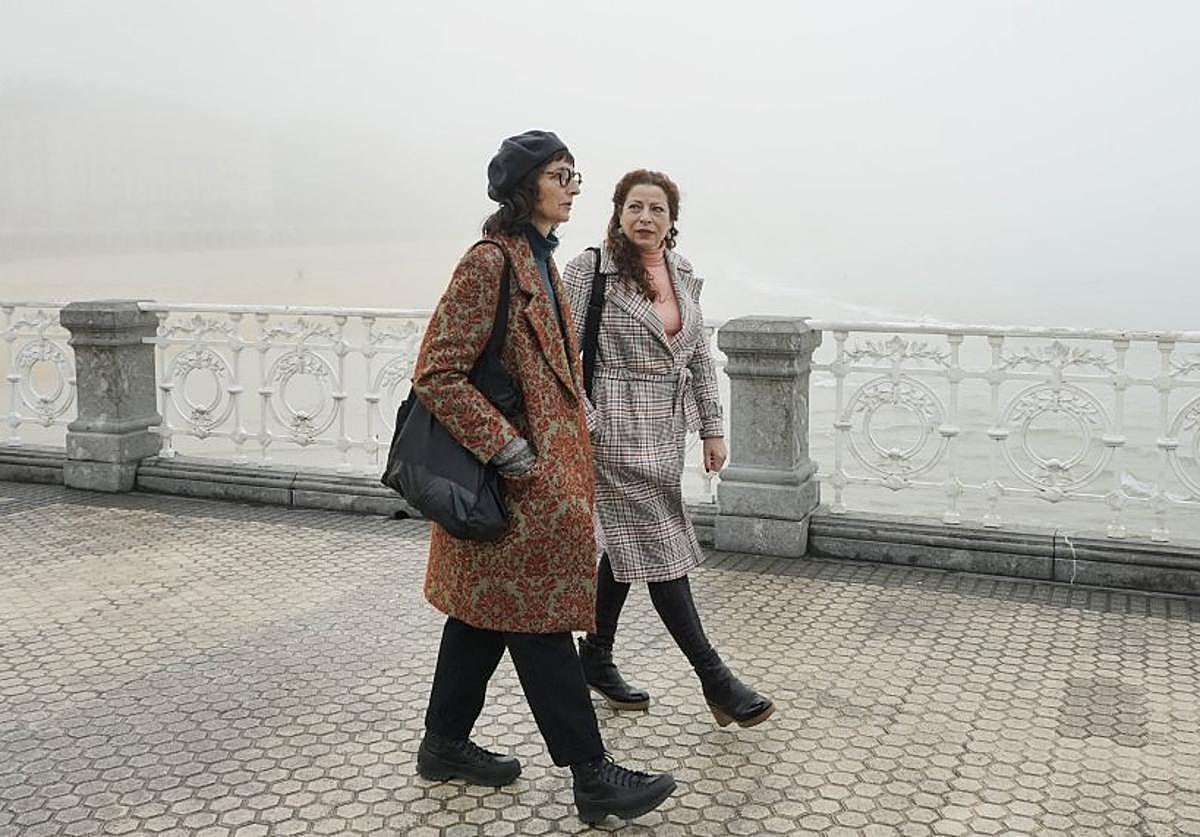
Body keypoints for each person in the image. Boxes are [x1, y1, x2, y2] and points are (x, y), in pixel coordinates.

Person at [411, 132, 676, 825]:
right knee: (540, 622)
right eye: (561, 175)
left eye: (574, 174)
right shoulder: (489, 264)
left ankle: (443, 743)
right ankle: (593, 777)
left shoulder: (541, 260)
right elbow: (437, 371)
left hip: (545, 483)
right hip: (515, 483)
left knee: (484, 614)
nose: (574, 186)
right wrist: (508, 449)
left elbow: (550, 371)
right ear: (526, 186)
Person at [562, 169, 774, 729]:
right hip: (611, 430)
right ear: (618, 212)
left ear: (671, 219)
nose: (645, 218)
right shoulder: (591, 270)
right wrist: (589, 423)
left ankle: (596, 658)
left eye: (657, 209)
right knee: (659, 547)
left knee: (629, 545)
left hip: (663, 431)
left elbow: (698, 357)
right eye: (635, 207)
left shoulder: (681, 272)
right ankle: (716, 680)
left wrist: (711, 427)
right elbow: (559, 354)